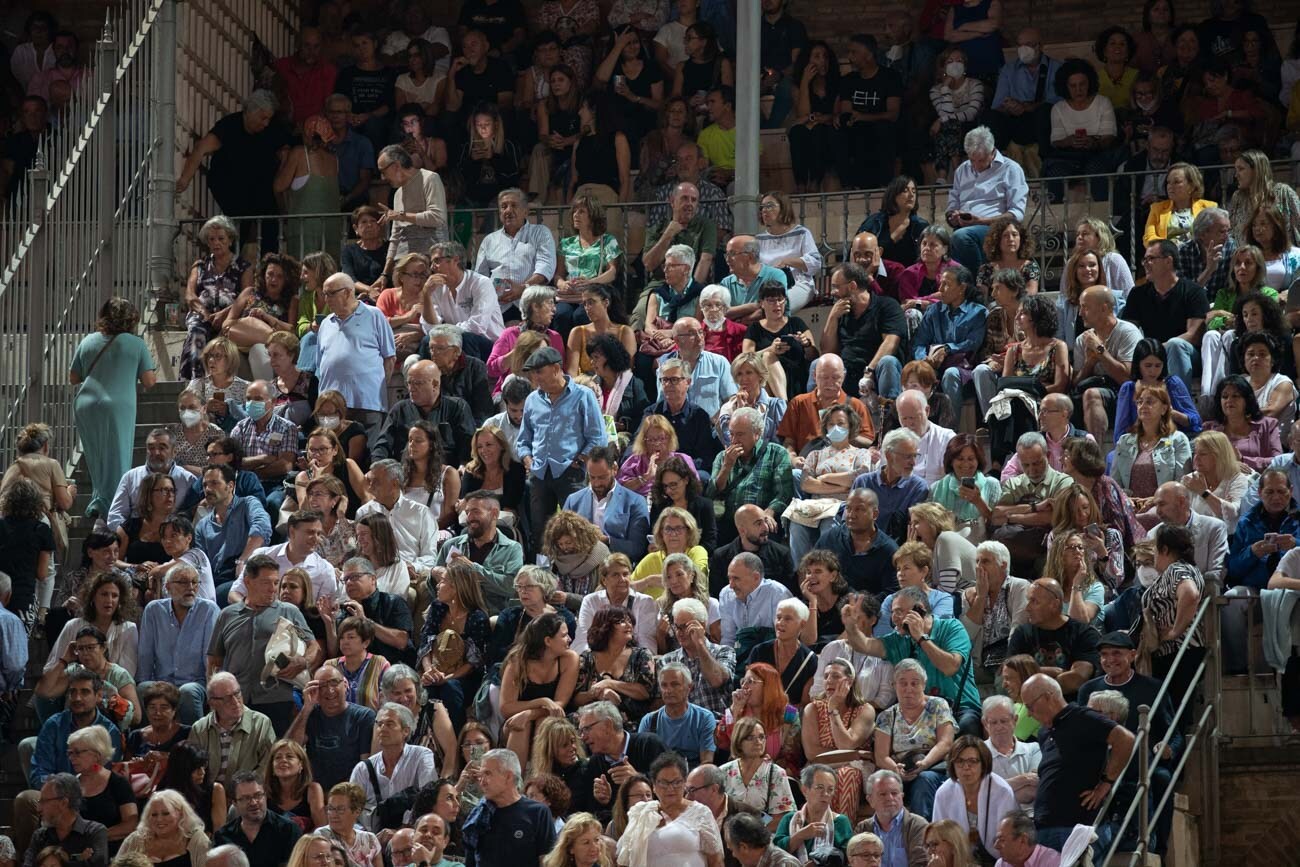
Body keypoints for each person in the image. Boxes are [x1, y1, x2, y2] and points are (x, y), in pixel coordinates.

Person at [1020, 674, 1134, 853]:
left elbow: (1125, 739)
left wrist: (1106, 783)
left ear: (1048, 697)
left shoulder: (1082, 717)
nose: (1028, 713)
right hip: (1045, 827)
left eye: (1030, 706)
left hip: (1076, 826)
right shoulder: (1044, 733)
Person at [207, 554, 318, 733]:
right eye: (266, 583)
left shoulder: (289, 612)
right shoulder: (227, 615)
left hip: (277, 699)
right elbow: (214, 661)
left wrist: (303, 661)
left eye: (276, 583)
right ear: (248, 581)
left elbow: (313, 646)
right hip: (236, 701)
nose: (273, 589)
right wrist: (213, 697)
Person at [71, 298, 157, 521]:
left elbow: (74, 377)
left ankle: (98, 500)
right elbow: (149, 381)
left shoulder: (88, 340)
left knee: (95, 456)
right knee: (117, 456)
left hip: (86, 404)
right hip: (118, 405)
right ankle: (115, 508)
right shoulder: (135, 343)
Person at [516, 346, 609, 550]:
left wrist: (580, 460)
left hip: (571, 473)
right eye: (533, 372)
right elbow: (523, 439)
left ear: (556, 368)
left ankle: (581, 571)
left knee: (576, 528)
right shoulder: (533, 399)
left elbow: (598, 436)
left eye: (539, 371)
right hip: (539, 473)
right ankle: (542, 574)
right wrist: (528, 459)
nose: (535, 377)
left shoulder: (583, 395)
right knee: (540, 531)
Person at [175, 90, 289, 253]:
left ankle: (267, 269)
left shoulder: (270, 131)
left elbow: (285, 151)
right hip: (231, 186)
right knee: (237, 225)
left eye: (269, 119)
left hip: (261, 187)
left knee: (269, 224)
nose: (266, 123)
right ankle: (228, 266)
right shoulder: (229, 126)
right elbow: (201, 148)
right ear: (250, 112)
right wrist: (185, 179)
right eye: (263, 118)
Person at [316, 273, 398, 440]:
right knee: (330, 454)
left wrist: (374, 388)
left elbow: (390, 358)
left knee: (369, 456)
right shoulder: (325, 323)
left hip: (367, 403)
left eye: (331, 293)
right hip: (330, 406)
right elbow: (320, 364)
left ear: (347, 292)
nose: (326, 299)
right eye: (324, 294)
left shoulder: (374, 315)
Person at [870, 658, 954, 819]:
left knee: (924, 779)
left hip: (933, 766)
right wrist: (896, 769)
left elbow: (945, 743)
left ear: (924, 684)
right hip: (900, 768)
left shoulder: (938, 705)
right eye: (903, 683)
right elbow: (881, 756)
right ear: (894, 686)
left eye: (915, 683)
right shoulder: (886, 716)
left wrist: (925, 763)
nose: (909, 688)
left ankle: (921, 835)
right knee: (886, 783)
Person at [136, 564, 218, 725]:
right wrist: (144, 681)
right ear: (168, 587)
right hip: (162, 682)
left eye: (195, 582)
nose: (191, 588)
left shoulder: (208, 610)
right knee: (143, 688)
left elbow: (210, 657)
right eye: (183, 582)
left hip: (196, 682)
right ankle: (146, 742)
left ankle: (195, 744)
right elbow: (145, 654)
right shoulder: (154, 610)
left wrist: (213, 694)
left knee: (188, 691)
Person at [943, 127, 1030, 273]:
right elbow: (952, 205)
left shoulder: (1011, 169)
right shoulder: (962, 170)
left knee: (961, 237)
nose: (976, 166)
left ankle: (978, 283)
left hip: (995, 227)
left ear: (993, 151)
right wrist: (953, 216)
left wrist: (980, 221)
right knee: (938, 237)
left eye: (981, 160)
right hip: (963, 226)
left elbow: (1016, 214)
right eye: (972, 160)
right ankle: (960, 287)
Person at [819, 263, 907, 401]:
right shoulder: (840, 311)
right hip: (848, 371)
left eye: (836, 286)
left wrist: (869, 371)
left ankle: (889, 418)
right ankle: (820, 416)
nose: (832, 292)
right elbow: (827, 351)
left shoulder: (887, 306)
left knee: (888, 362)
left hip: (875, 370)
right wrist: (832, 318)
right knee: (819, 364)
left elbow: (891, 342)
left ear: (852, 286)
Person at [712, 408, 793, 547]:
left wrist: (769, 511)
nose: (734, 440)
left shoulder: (776, 453)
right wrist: (726, 467)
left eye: (740, 435)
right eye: (731, 434)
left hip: (761, 521)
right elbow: (712, 493)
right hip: (729, 522)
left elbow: (783, 493)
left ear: (757, 434)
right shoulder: (723, 457)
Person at [1043, 59, 1121, 201]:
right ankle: (1053, 217)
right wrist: (1069, 141)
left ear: (1089, 82)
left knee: (1096, 170)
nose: (1078, 90)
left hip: (1098, 153)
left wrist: (1094, 143)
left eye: (1082, 84)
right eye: (1073, 86)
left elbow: (1109, 136)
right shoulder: (1058, 108)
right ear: (1065, 86)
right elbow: (1056, 141)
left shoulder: (1103, 102)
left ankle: (1103, 216)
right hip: (1068, 157)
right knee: (1055, 172)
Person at [462, 749, 556, 867]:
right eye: (481, 775)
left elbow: (547, 862)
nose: (482, 782)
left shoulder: (538, 812)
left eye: (488, 773)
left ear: (508, 776)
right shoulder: (478, 816)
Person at [1110, 382, 1193, 512]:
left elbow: (1182, 482)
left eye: (1149, 402)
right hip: (1130, 507)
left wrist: (1155, 500)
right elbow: (1115, 483)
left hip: (1165, 507)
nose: (1143, 406)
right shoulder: (1124, 441)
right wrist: (1126, 500)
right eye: (1140, 402)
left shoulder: (1178, 439)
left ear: (1164, 409)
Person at [932, 736, 1018, 861]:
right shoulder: (943, 793)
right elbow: (938, 836)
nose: (966, 767)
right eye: (960, 761)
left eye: (972, 761)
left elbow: (1010, 840)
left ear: (983, 764)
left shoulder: (1002, 791)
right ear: (952, 765)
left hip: (998, 859)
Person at [832, 34, 901, 190]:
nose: (849, 57)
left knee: (883, 129)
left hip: (880, 127)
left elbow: (893, 113)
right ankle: (849, 186)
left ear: (869, 55)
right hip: (857, 127)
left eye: (853, 52)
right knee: (839, 133)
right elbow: (847, 111)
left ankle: (884, 185)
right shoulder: (849, 80)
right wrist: (844, 118)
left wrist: (864, 117)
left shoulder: (890, 77)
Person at [212, 770, 302, 866]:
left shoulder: (289, 830)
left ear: (265, 796)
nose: (254, 802)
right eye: (246, 798)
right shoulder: (223, 837)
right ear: (234, 803)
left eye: (258, 795)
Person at [1205, 372, 1284, 472]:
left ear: (1247, 400)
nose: (1229, 400)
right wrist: (1229, 465)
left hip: (1259, 483)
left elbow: (1279, 461)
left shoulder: (1268, 425)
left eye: (1235, 396)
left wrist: (1244, 461)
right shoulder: (1209, 429)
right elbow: (1198, 463)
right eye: (1224, 396)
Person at [25, 774, 109, 867]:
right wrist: (79, 860)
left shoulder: (95, 832)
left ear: (63, 803)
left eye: (44, 801)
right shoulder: (40, 836)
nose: (38, 809)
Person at [116, 789, 211, 867]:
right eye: (154, 815)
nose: (159, 819)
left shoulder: (197, 840)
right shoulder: (135, 839)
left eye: (166, 813)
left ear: (181, 814)